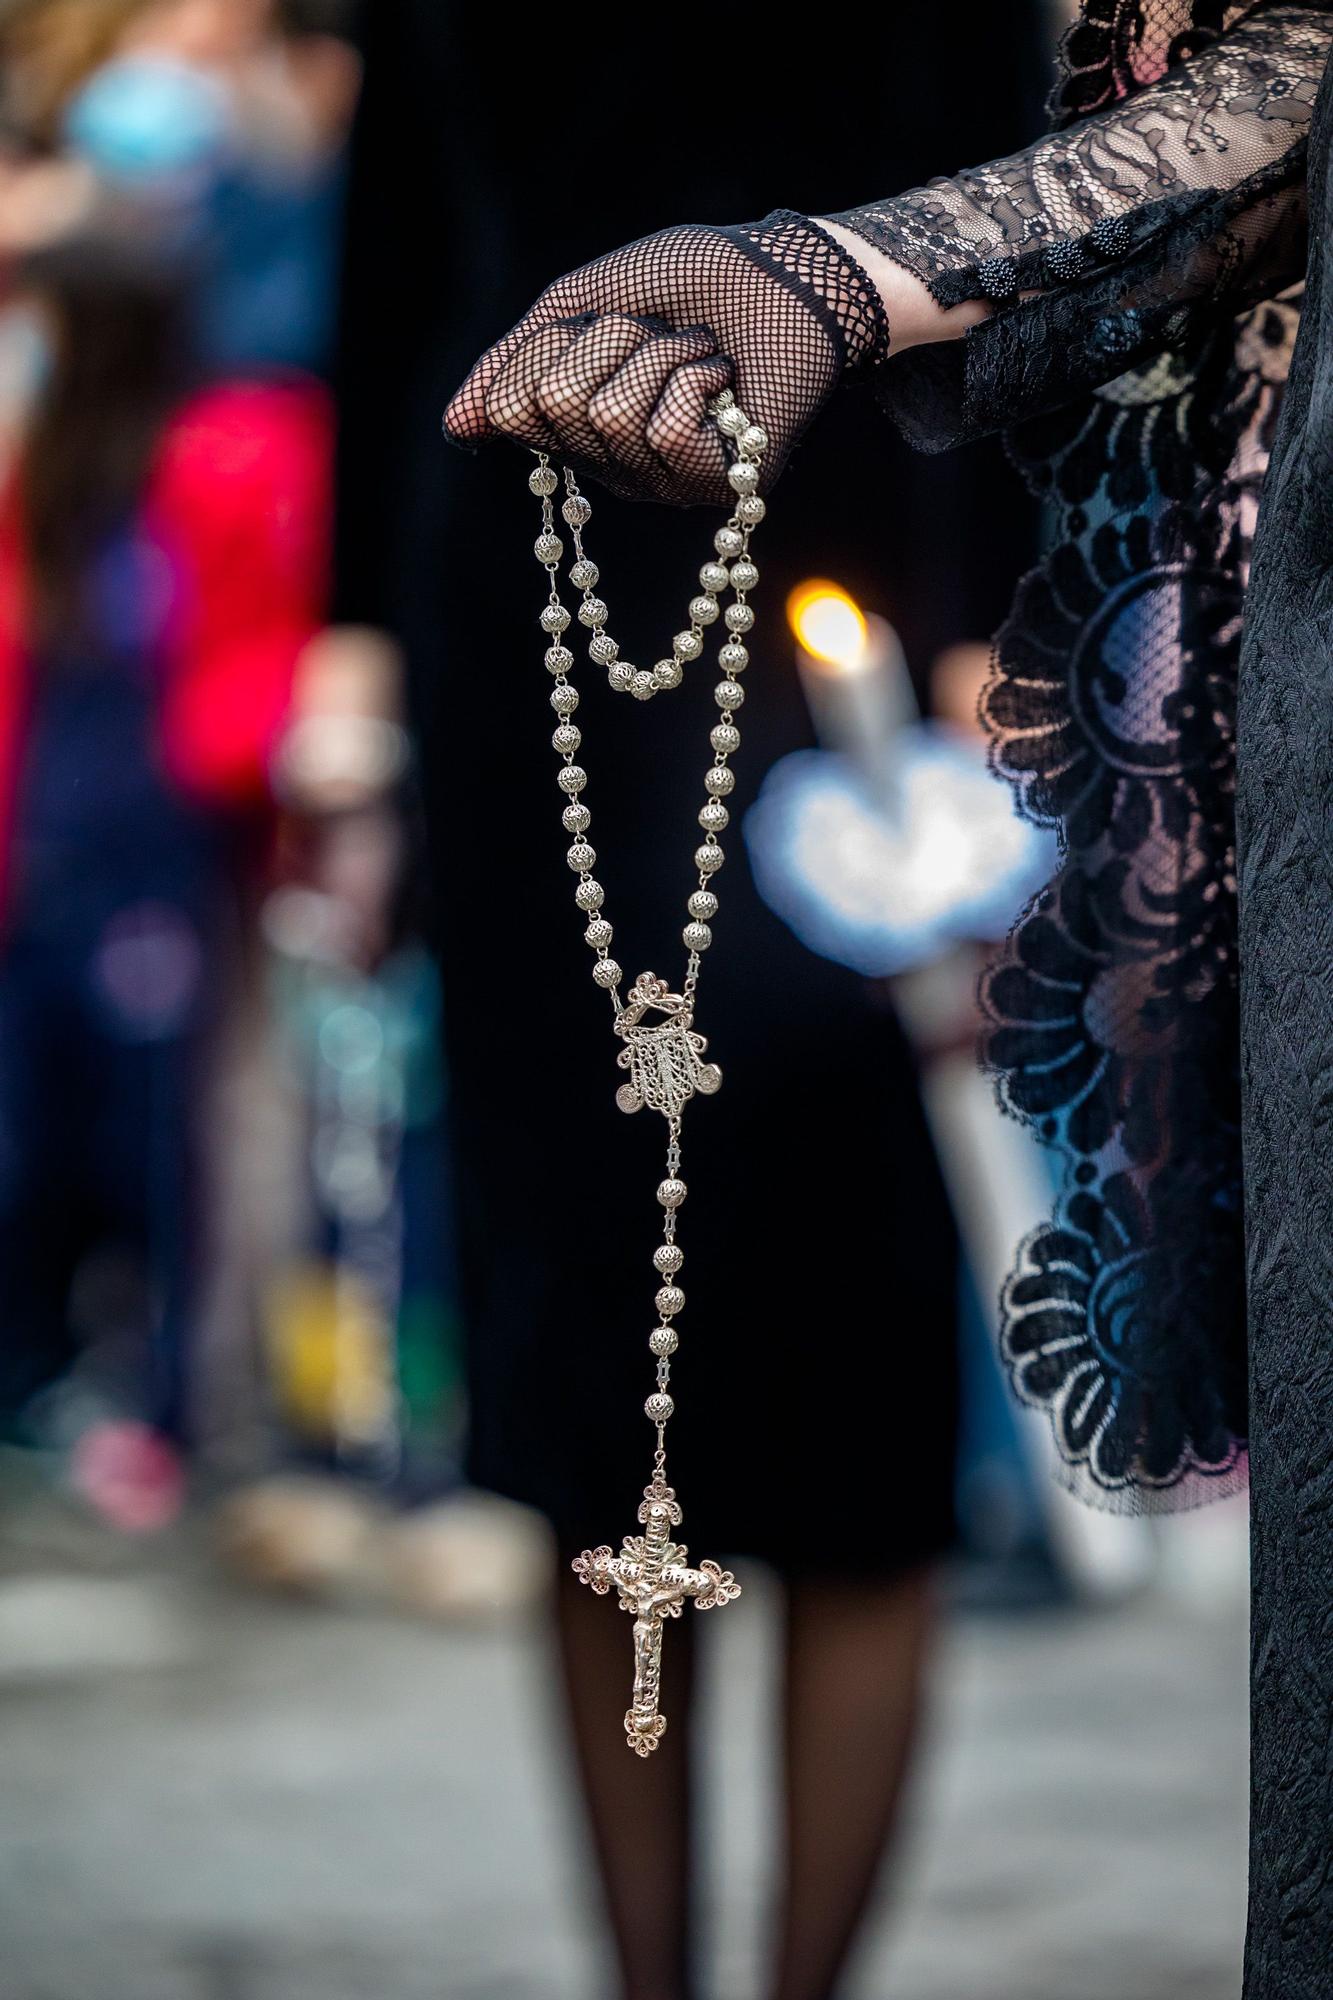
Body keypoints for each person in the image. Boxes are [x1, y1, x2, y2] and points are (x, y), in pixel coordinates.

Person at [444, 3, 1333, 1993]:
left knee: (850, 1395)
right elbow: (401, 246)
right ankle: (644, 1975)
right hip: (528, 672)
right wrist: (349, 649)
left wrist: (1003, 632)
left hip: (867, 676)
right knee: (586, 1395)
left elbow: (1137, 184)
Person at [0, 226, 332, 1514]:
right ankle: (58, 1372)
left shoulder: (233, 450)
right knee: (46, 1121)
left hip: (173, 840)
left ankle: (182, 1407)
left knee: (170, 1136)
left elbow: (260, 652)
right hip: (56, 838)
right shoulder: (55, 468)